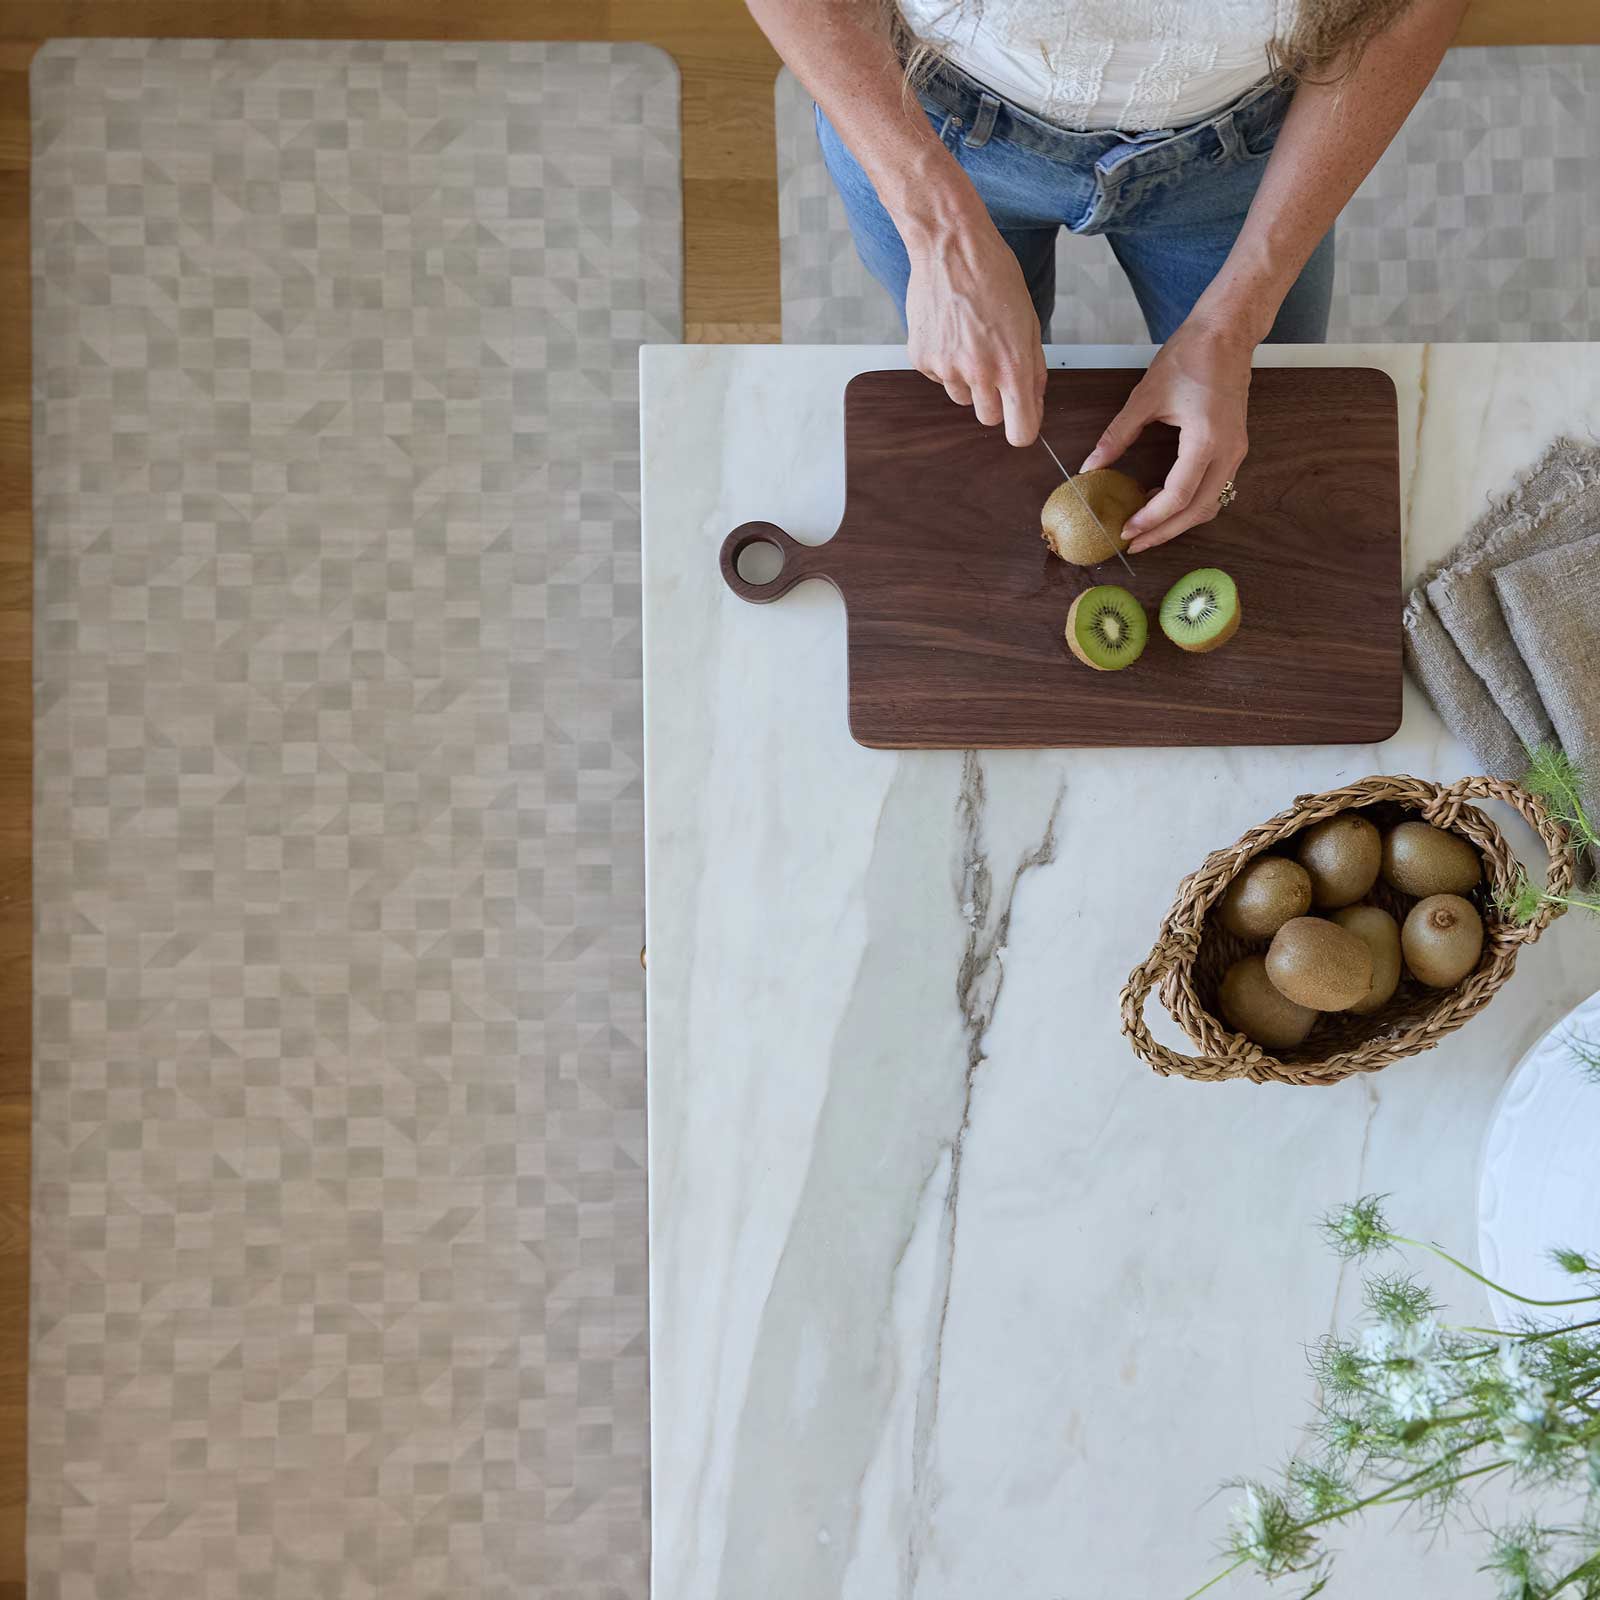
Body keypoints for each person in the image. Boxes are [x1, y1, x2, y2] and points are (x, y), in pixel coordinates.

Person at [748, 0, 1465, 552]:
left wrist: (1233, 321)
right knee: (975, 396)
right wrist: (937, 229)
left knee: (1262, 415)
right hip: (925, 118)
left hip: (1246, 152)